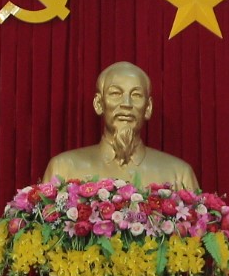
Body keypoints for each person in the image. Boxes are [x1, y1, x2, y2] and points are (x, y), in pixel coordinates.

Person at [42, 61, 199, 189]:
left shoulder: (179, 175)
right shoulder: (63, 169)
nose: (126, 104)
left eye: (136, 95)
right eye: (115, 94)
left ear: (148, 108)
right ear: (98, 104)